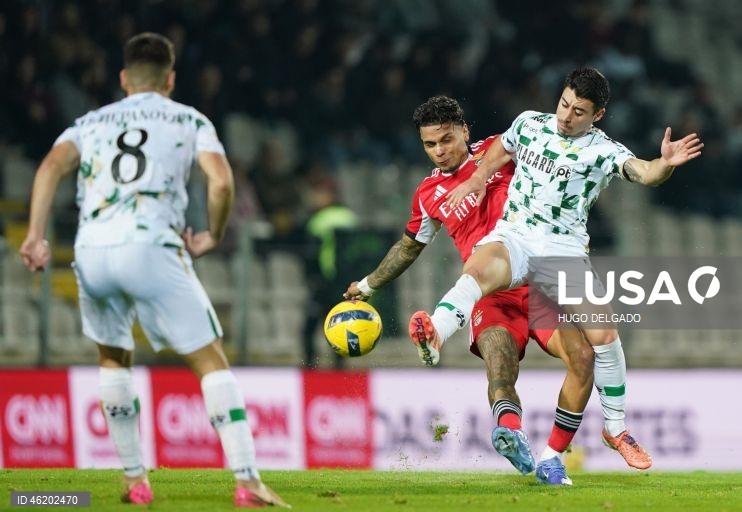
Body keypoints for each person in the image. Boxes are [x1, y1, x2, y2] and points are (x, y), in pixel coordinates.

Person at [19, 33, 288, 508]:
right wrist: (213, 234)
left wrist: (36, 235)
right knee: (209, 360)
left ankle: (134, 481)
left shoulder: (90, 121)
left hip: (92, 249)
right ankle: (247, 482)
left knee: (113, 358)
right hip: (150, 245)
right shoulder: (189, 119)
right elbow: (221, 182)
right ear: (170, 79)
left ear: (124, 79)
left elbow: (48, 169)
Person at [408, 68, 703, 471]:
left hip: (562, 251)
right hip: (516, 234)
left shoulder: (602, 150)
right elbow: (501, 149)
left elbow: (645, 172)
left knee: (604, 337)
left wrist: (665, 163)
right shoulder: (530, 124)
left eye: (578, 112)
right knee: (476, 272)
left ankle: (610, 431)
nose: (566, 116)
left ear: (597, 115)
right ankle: (435, 336)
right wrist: (477, 179)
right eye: (564, 104)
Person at [345, 96, 597, 485]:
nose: (439, 151)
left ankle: (553, 458)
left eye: (446, 139)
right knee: (500, 368)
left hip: (539, 281)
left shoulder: (501, 150)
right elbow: (409, 247)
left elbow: (556, 155)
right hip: (490, 294)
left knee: (582, 357)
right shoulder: (428, 194)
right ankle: (510, 432)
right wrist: (367, 284)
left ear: (464, 131)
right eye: (430, 144)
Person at [301, 173, 359, 368]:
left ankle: (310, 365)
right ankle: (340, 368)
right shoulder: (350, 218)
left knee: (310, 328)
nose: (315, 198)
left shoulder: (318, 220)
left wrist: (311, 278)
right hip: (346, 283)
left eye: (319, 194)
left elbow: (311, 254)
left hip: (324, 281)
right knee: (341, 327)